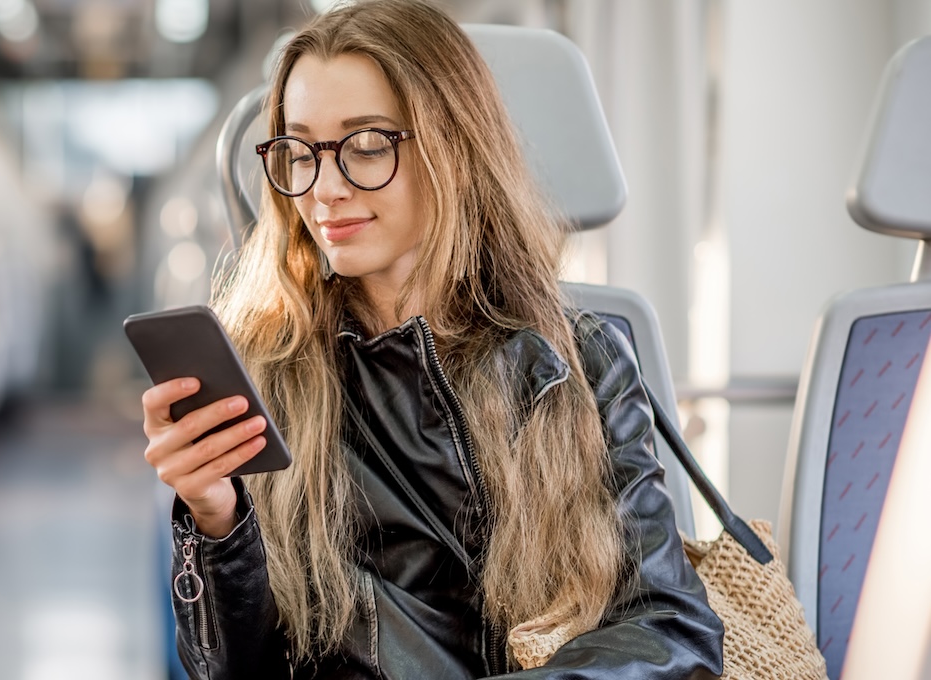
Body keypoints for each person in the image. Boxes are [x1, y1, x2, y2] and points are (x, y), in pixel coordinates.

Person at [139, 2, 725, 678]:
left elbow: (670, 627)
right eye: (299, 152)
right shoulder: (263, 371)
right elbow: (241, 670)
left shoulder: (581, 364)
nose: (324, 189)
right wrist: (217, 521)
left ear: (453, 147)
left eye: (364, 147)